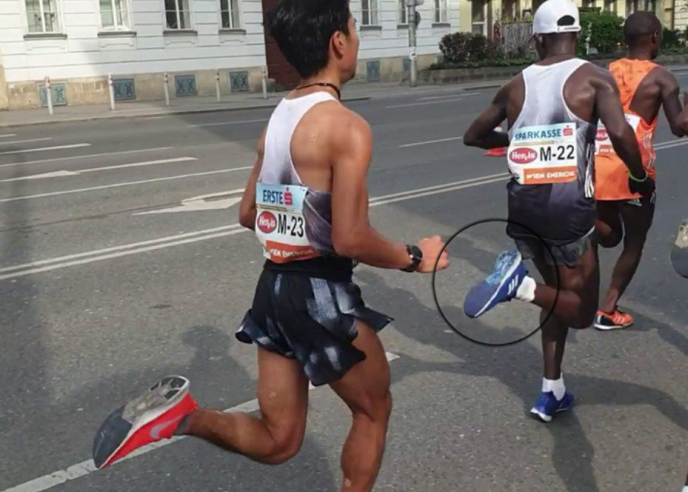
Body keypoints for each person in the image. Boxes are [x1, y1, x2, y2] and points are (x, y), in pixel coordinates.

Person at [91, 0, 450, 490]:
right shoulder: (346, 127)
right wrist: (415, 258)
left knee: (279, 440)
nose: (356, 40)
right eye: (354, 29)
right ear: (338, 43)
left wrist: (298, 224)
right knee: (373, 410)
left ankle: (181, 417)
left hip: (274, 290)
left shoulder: (279, 117)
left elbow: (248, 213)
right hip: (321, 296)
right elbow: (349, 236)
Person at [462, 0, 652, 422]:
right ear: (577, 35)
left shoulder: (516, 85)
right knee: (581, 311)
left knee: (558, 297)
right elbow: (620, 133)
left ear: (537, 39)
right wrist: (639, 177)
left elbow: (472, 136)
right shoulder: (594, 77)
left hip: (524, 213)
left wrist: (515, 139)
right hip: (568, 215)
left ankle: (552, 390)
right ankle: (519, 287)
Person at [593, 11, 685, 330]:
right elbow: (680, 126)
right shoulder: (662, 78)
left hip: (599, 165)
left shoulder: (605, 72)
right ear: (655, 37)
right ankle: (607, 310)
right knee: (633, 242)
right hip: (636, 173)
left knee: (607, 234)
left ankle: (578, 254)